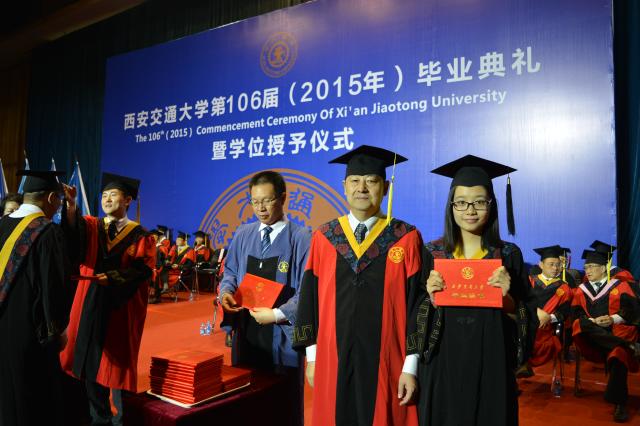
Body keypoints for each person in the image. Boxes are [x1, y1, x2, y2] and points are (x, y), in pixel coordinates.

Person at [293, 145, 425, 426]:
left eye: (371, 181)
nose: (362, 188)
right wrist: (312, 357)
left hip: (388, 361)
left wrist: (411, 365)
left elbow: (418, 305)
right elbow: (309, 301)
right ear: (344, 187)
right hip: (332, 358)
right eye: (354, 181)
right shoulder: (325, 237)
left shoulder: (405, 237)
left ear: (385, 187)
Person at [418, 155, 531, 426]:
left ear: (491, 205)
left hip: (492, 362)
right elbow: (413, 312)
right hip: (442, 364)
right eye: (461, 202)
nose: (470, 210)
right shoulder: (432, 253)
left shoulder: (508, 255)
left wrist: (508, 299)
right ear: (451, 206)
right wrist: (430, 299)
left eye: (479, 202)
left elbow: (527, 316)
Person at [60, 172, 155, 426]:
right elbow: (72, 236)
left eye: (113, 195)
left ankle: (122, 418)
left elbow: (143, 270)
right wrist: (71, 205)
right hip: (89, 303)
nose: (107, 199)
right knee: (90, 358)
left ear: (127, 200)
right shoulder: (92, 226)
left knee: (117, 364)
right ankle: (99, 417)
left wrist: (112, 278)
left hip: (119, 306)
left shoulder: (140, 235)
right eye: (104, 195)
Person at [219, 170, 311, 426]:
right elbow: (230, 272)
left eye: (267, 201)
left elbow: (308, 290)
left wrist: (278, 314)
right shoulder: (243, 234)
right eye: (255, 201)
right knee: (246, 402)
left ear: (283, 198)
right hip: (247, 333)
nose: (260, 208)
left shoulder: (301, 238)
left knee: (281, 406)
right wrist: (226, 293)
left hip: (281, 336)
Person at [0, 170, 72, 426]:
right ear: (51, 198)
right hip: (28, 333)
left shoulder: (1, 224)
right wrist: (56, 330)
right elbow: (53, 289)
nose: (58, 207)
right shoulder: (46, 232)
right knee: (30, 399)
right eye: (59, 201)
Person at [572, 244, 638, 422]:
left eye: (591, 267)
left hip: (614, 336)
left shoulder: (621, 286)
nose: (587, 271)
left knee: (619, 354)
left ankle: (619, 404)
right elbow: (575, 314)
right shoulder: (581, 290)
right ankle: (629, 346)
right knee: (580, 323)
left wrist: (612, 319)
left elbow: (632, 312)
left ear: (603, 268)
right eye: (586, 267)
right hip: (590, 341)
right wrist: (592, 322)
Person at [517, 245, 572, 378]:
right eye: (551, 264)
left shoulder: (564, 288)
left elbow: (565, 312)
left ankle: (521, 363)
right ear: (541, 265)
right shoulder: (530, 281)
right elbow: (519, 301)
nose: (555, 268)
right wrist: (535, 310)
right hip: (524, 323)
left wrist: (550, 317)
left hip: (545, 329)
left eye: (558, 265)